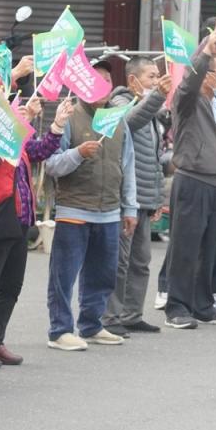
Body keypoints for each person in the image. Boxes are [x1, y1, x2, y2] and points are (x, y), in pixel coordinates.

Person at [0, 89, 71, 364]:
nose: (12, 109)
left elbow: (40, 150)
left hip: (20, 218)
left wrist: (57, 124)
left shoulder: (15, 137)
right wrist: (16, 126)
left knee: (11, 286)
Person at [44, 85, 138, 350]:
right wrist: (78, 154)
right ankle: (60, 330)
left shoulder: (118, 120)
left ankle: (91, 324)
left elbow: (128, 165)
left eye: (106, 82)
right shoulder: (69, 117)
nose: (102, 88)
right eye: (96, 81)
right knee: (63, 275)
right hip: (74, 209)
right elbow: (51, 164)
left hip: (109, 211)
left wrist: (130, 207)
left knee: (103, 274)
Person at [162, 15, 216, 329]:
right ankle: (177, 306)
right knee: (185, 245)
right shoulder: (187, 100)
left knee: (209, 247)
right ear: (206, 74)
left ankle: (203, 303)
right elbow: (189, 80)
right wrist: (208, 47)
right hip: (193, 180)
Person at [102, 56, 170, 336]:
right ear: (133, 80)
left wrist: (156, 199)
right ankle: (110, 317)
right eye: (151, 76)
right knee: (120, 261)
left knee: (141, 262)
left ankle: (132, 314)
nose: (156, 82)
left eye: (158, 77)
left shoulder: (151, 107)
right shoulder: (120, 102)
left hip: (145, 197)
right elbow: (128, 122)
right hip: (124, 199)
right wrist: (156, 97)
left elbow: (153, 158)